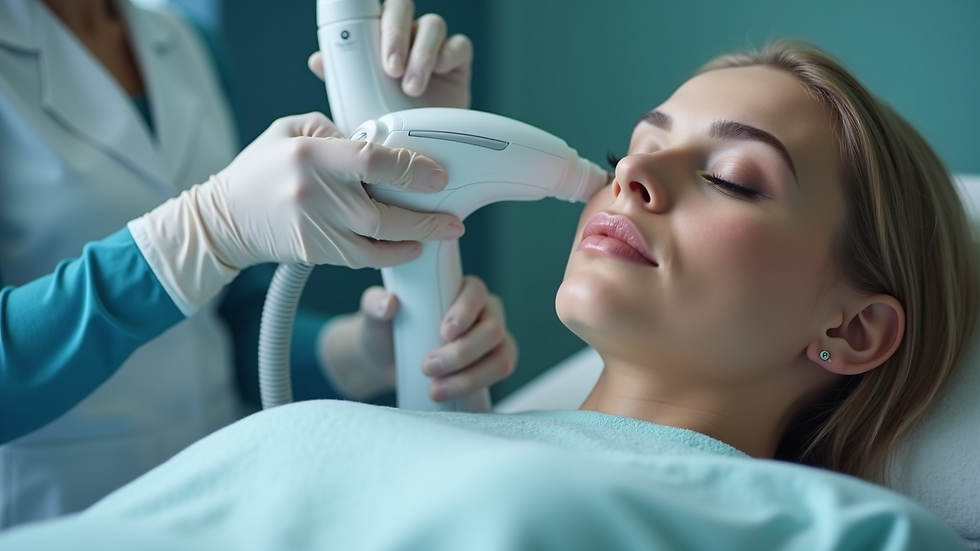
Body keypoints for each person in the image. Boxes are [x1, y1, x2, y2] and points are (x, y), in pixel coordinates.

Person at [0, 39, 973, 550]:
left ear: (852, 327)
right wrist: (206, 234)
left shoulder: (836, 532)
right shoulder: (427, 431)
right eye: (637, 145)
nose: (630, 176)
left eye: (730, 177)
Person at [0, 0, 516, 528]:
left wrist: (359, 353)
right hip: (56, 514)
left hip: (220, 499)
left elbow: (225, 318)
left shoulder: (186, 42)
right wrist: (206, 228)